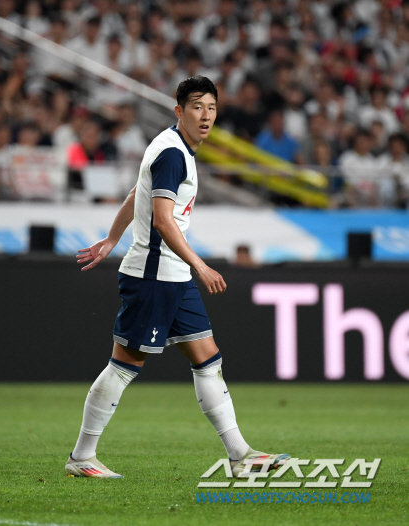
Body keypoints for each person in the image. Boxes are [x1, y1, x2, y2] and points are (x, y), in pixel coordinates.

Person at [65, 76, 289, 479]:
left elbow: (138, 194)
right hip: (154, 274)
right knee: (124, 365)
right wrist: (201, 266)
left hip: (173, 273)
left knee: (208, 360)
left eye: (212, 108)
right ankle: (82, 457)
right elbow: (165, 221)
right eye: (197, 107)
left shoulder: (173, 146)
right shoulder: (173, 154)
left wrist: (112, 238)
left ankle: (239, 455)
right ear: (179, 111)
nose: (205, 116)